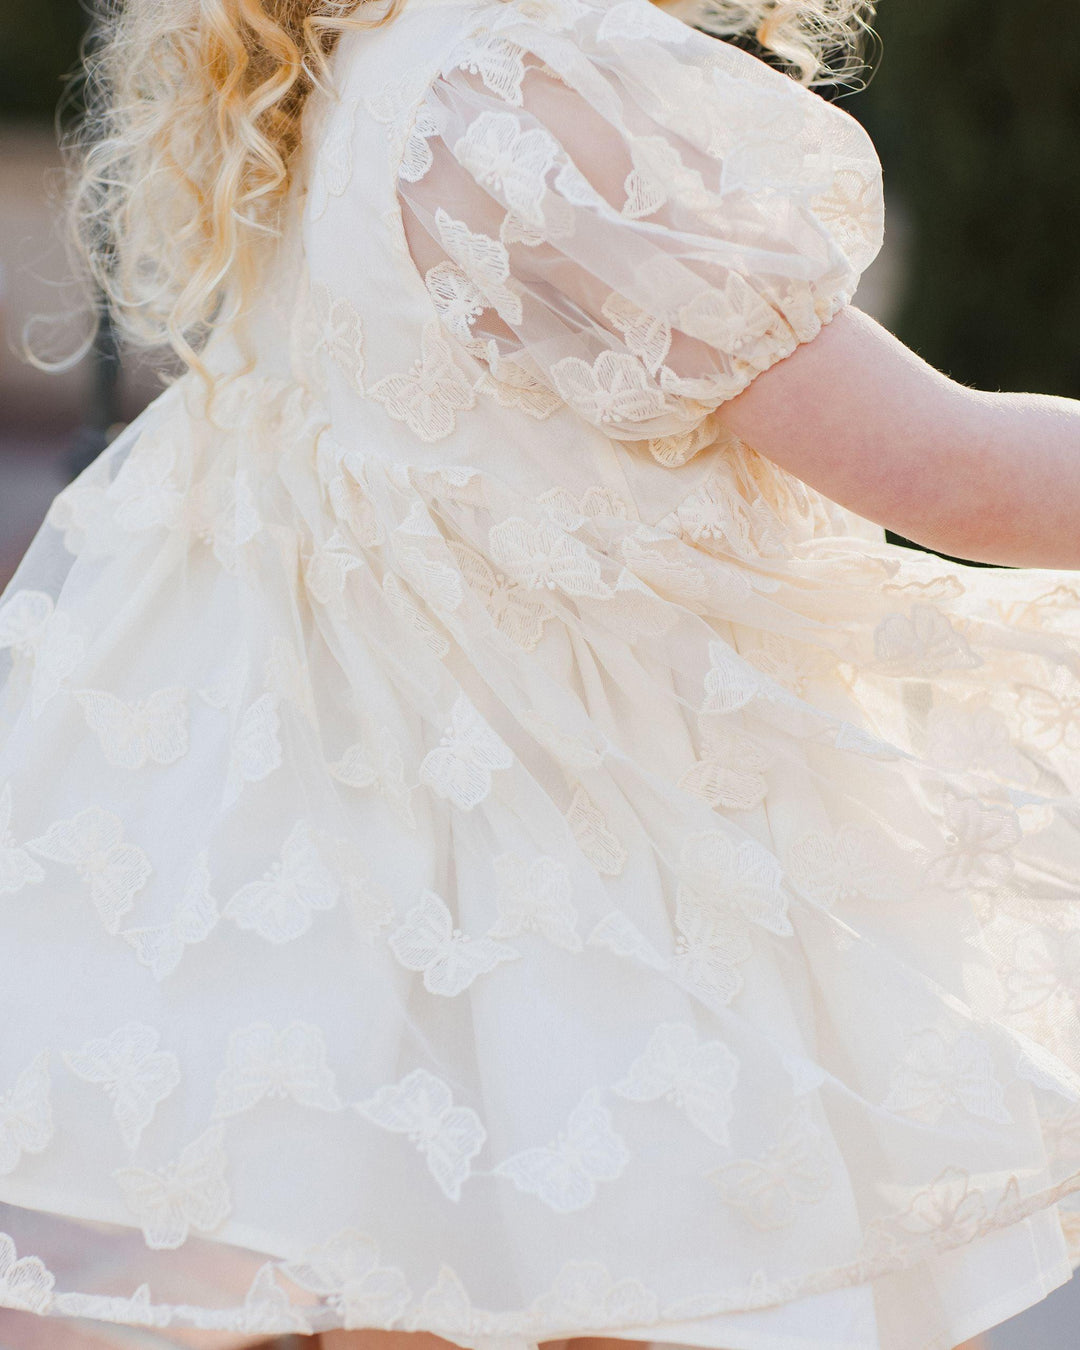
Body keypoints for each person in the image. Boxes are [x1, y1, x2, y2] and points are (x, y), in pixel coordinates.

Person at [0, 0, 1078, 1347]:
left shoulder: (358, 74)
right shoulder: (524, 103)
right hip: (616, 910)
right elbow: (947, 469)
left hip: (438, 925)